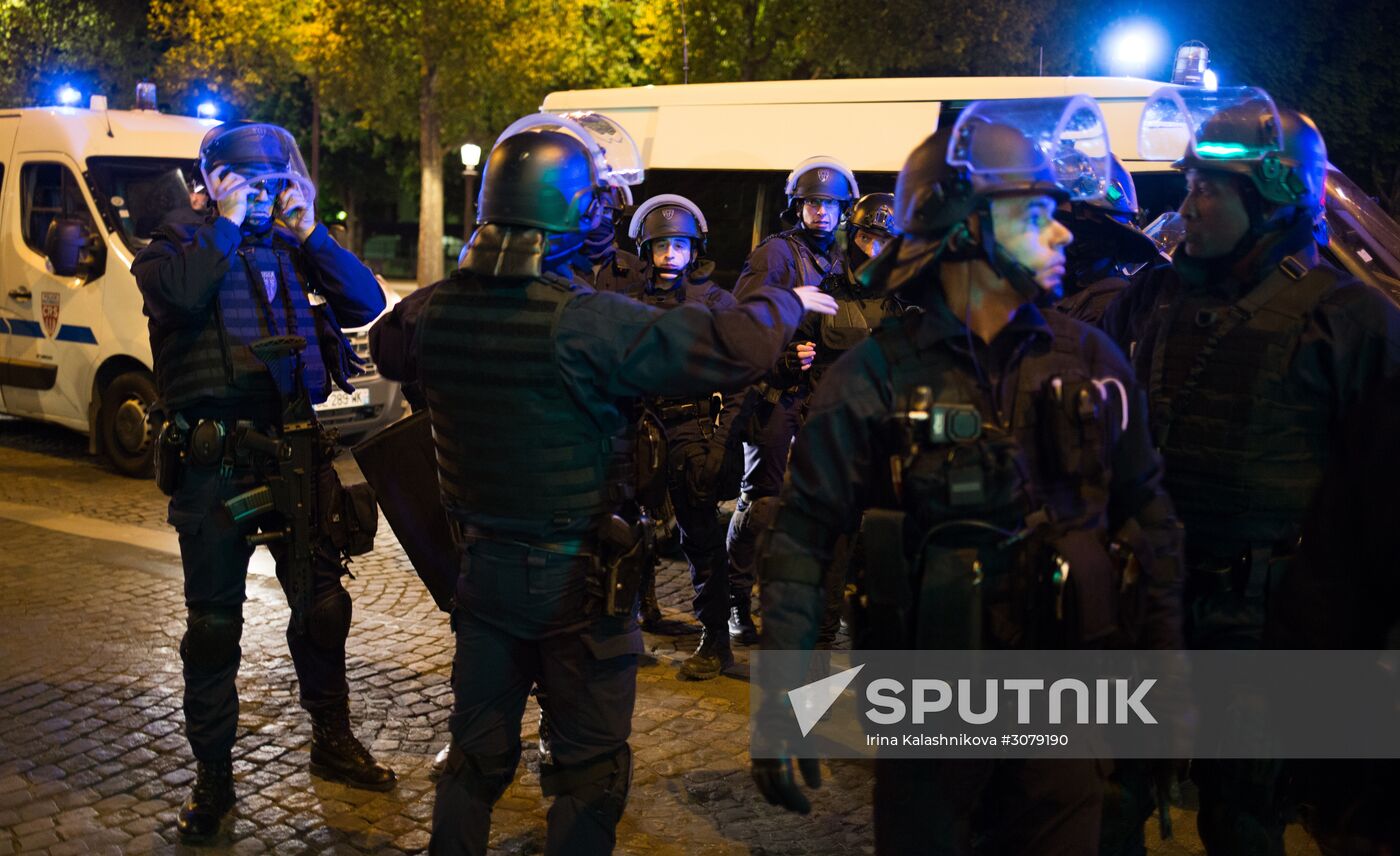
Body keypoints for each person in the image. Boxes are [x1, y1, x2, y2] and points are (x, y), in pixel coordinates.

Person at [394, 114, 836, 855]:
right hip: (577, 580)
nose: (606, 218)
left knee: (473, 761)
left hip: (481, 576)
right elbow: (725, 346)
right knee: (589, 772)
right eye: (596, 203)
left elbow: (385, 337)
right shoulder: (584, 322)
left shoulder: (435, 311)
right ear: (566, 211)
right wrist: (789, 301)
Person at [751, 100, 1184, 854]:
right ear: (968, 228)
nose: (1061, 232)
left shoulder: (1091, 361)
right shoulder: (872, 376)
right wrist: (785, 701)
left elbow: (1150, 523)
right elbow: (802, 541)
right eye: (1036, 214)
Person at [1102, 86, 1400, 855]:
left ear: (1270, 197)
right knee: (1106, 803)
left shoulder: (1351, 319)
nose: (1188, 204)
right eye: (1190, 182)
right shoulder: (1150, 297)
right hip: (1151, 605)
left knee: (1244, 820)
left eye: (1208, 187)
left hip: (1266, 623)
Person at [131, 121, 395, 844]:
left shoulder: (288, 247)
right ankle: (213, 776)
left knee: (323, 607)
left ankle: (333, 740)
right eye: (247, 181)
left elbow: (366, 303)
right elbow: (182, 301)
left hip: (294, 454)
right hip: (215, 466)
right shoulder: (171, 249)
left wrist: (312, 235)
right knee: (214, 630)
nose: (261, 196)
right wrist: (221, 223)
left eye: (272, 183)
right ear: (209, 181)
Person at [726, 156, 858, 646]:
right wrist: (782, 351)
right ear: (797, 206)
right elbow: (746, 317)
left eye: (830, 204)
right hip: (775, 391)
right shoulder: (777, 254)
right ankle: (736, 601)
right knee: (761, 501)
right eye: (812, 203)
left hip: (818, 395)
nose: (821, 212)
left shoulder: (841, 259)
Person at [621, 194, 746, 680]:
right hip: (637, 427)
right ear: (645, 248)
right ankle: (625, 630)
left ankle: (715, 640)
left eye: (680, 245)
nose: (671, 254)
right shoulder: (626, 303)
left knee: (701, 539)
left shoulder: (716, 302)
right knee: (626, 532)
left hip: (692, 427)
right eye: (661, 245)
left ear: (694, 249)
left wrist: (718, 442)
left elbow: (743, 372)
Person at [1053, 155, 1162, 324]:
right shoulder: (1057, 294)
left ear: (1098, 222)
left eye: (1059, 220)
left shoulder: (1111, 305)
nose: (1051, 232)